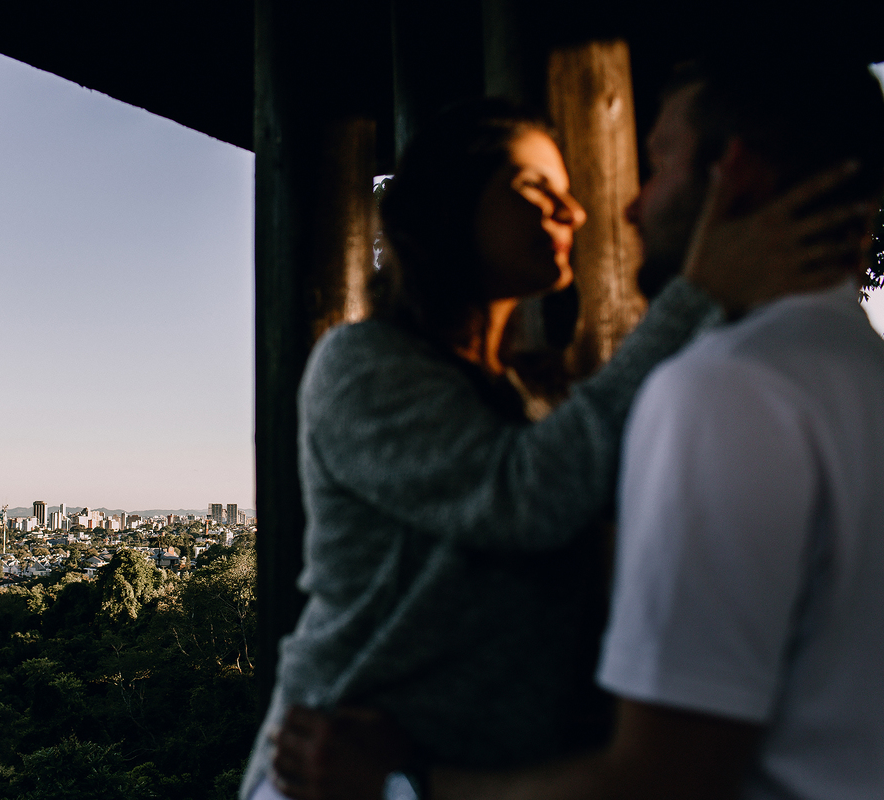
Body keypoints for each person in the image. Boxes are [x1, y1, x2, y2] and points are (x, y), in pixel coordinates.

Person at [270, 50, 884, 800]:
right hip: (341, 765)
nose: (580, 211)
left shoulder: (538, 399)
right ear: (450, 203)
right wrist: (696, 294)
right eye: (536, 188)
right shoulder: (361, 365)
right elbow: (523, 496)